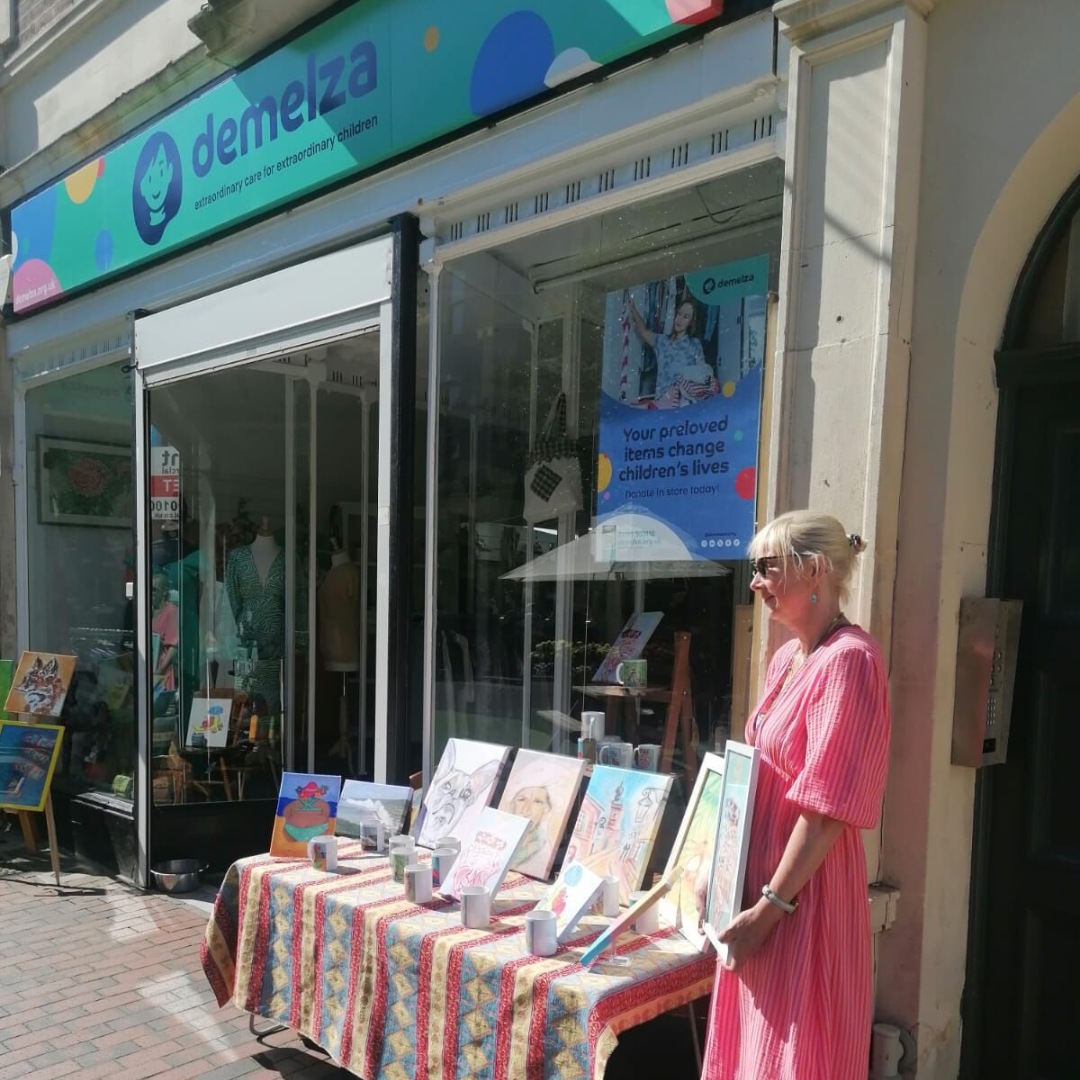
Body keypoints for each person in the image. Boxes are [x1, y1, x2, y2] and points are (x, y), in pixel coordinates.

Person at [702, 510, 891, 1080]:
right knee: (756, 1050)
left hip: (803, 897)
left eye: (767, 567)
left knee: (799, 1052)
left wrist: (769, 909)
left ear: (814, 570)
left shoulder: (849, 661)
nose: (755, 582)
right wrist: (718, 868)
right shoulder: (788, 658)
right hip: (764, 891)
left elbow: (827, 808)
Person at [629, 295, 717, 408]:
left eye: (686, 317)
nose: (680, 319)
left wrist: (707, 379)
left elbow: (703, 370)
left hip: (683, 404)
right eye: (679, 314)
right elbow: (643, 331)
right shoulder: (661, 341)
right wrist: (633, 310)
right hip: (662, 404)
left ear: (691, 322)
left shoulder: (694, 344)